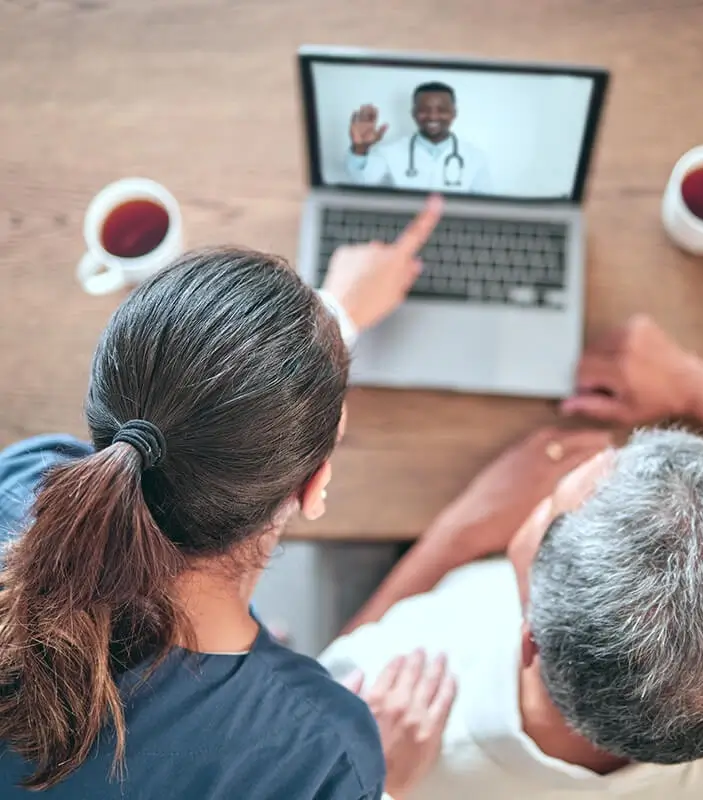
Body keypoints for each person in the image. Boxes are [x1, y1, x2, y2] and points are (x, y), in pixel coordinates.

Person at [0, 197, 458, 799]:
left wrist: (335, 317)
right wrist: (386, 785)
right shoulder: (320, 755)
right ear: (314, 488)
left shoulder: (27, 480)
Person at [320, 315, 703, 799]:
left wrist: (457, 534)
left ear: (530, 639)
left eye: (552, 507)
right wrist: (696, 385)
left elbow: (309, 686)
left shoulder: (379, 720)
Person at [345, 82, 492, 194]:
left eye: (442, 110)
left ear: (454, 113)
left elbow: (486, 206)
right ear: (413, 113)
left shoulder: (476, 157)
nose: (433, 116)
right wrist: (360, 149)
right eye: (424, 110)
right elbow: (362, 183)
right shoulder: (389, 152)